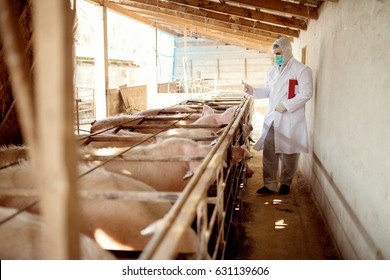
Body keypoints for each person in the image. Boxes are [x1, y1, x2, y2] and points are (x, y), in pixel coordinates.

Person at [243, 37, 313, 195]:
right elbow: (268, 91)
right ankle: (270, 184)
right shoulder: (272, 70)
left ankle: (285, 183)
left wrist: (287, 105)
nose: (277, 57)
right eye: (275, 54)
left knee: (290, 153)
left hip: (291, 118)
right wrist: (253, 91)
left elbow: (307, 93)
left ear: (288, 51)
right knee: (269, 151)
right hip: (273, 117)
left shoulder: (302, 70)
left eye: (279, 53)